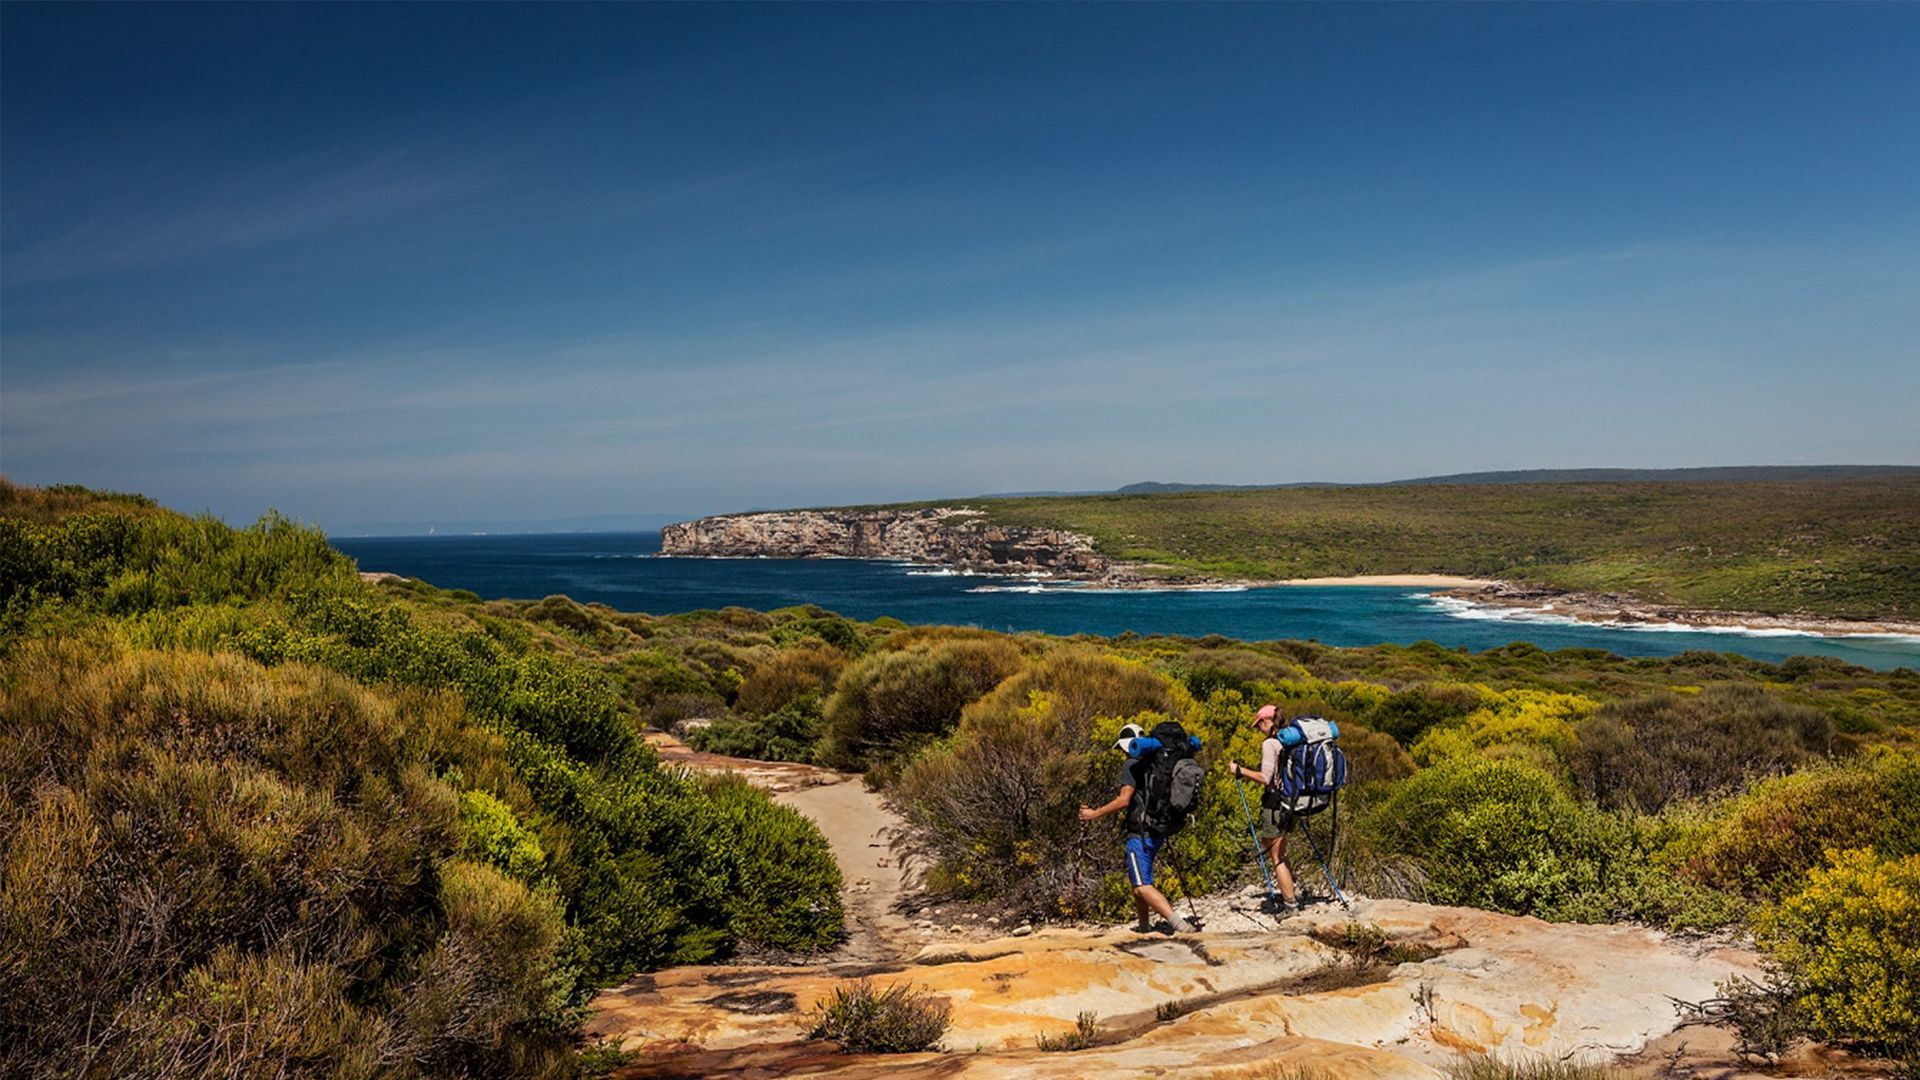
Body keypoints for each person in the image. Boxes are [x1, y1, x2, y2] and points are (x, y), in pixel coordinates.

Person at [1079, 723, 1197, 934]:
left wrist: (1094, 814)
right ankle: (1144, 927)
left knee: (1143, 885)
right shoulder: (1152, 761)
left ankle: (1181, 927)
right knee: (1139, 882)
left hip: (1140, 831)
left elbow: (1124, 800)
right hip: (1157, 827)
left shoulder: (1131, 765)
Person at [1226, 704, 1302, 912]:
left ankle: (1290, 904)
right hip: (1292, 802)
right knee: (1277, 849)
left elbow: (1265, 778)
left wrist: (1239, 771)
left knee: (1277, 857)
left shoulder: (1270, 744)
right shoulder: (1292, 741)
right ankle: (1291, 892)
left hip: (1276, 804)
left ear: (1266, 722)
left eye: (1258, 724)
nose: (1258, 729)